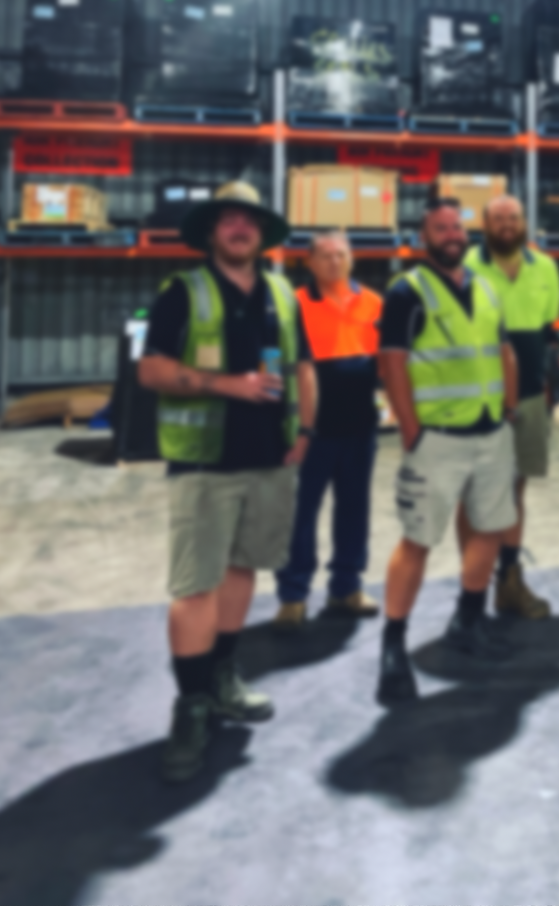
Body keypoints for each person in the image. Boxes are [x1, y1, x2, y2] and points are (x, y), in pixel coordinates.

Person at [138, 181, 316, 783]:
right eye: (229, 220)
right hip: (204, 464)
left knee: (243, 568)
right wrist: (227, 385)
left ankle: (222, 676)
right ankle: (190, 705)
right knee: (195, 586)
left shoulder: (283, 294)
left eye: (250, 221)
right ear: (212, 233)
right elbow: (151, 369)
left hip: (270, 458)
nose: (240, 228)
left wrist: (305, 432)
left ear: (262, 234)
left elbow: (302, 367)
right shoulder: (182, 292)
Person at [374, 197, 520, 704]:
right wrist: (410, 429)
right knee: (418, 539)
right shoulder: (406, 291)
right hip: (436, 438)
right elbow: (391, 363)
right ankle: (393, 643)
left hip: (490, 432)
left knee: (489, 528)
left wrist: (509, 409)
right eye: (441, 228)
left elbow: (503, 351)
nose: (453, 235)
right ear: (425, 237)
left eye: (457, 227)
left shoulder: (486, 286)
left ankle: (468, 619)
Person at [273, 230, 383, 628]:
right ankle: (293, 595)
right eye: (325, 255)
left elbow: (386, 362)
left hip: (360, 426)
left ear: (352, 259)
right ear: (310, 263)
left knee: (354, 509)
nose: (334, 261)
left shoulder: (374, 303)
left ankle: (346, 587)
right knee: (299, 513)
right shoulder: (294, 305)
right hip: (311, 430)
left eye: (341, 254)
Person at [461, 195, 559, 619]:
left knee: (515, 488)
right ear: (485, 224)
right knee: (474, 494)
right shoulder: (465, 266)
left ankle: (509, 580)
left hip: (530, 397)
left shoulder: (546, 268)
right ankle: (471, 591)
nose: (507, 224)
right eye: (498, 218)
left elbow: (546, 330)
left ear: (524, 222)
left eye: (514, 217)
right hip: (479, 399)